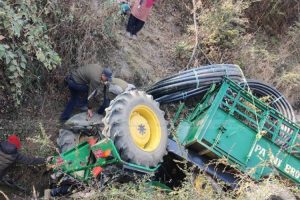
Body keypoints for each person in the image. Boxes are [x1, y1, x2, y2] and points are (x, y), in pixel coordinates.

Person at [61, 64, 135, 121]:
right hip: (74, 83)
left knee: (74, 99)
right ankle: (81, 105)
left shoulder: (99, 68)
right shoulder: (96, 79)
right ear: (103, 75)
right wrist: (90, 108)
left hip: (72, 77)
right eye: (106, 78)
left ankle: (65, 116)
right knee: (89, 91)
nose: (107, 80)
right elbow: (91, 95)